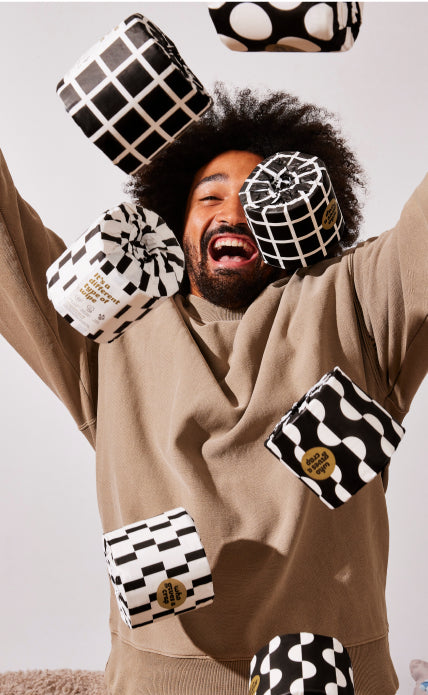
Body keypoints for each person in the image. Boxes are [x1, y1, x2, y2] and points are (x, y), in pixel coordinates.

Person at [0, 84, 426, 695]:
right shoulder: (115, 326)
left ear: (304, 216)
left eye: (263, 195)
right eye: (210, 196)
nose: (234, 212)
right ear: (176, 220)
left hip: (338, 677)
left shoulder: (354, 299)